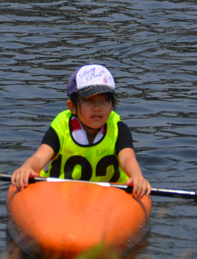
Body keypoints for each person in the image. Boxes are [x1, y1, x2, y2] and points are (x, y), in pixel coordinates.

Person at [11, 64, 151, 199]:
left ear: (112, 104)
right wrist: (27, 167)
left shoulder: (119, 129)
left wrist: (137, 176)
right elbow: (40, 157)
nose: (97, 107)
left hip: (109, 197)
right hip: (60, 195)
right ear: (72, 107)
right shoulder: (61, 127)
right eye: (89, 100)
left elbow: (127, 158)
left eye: (105, 100)